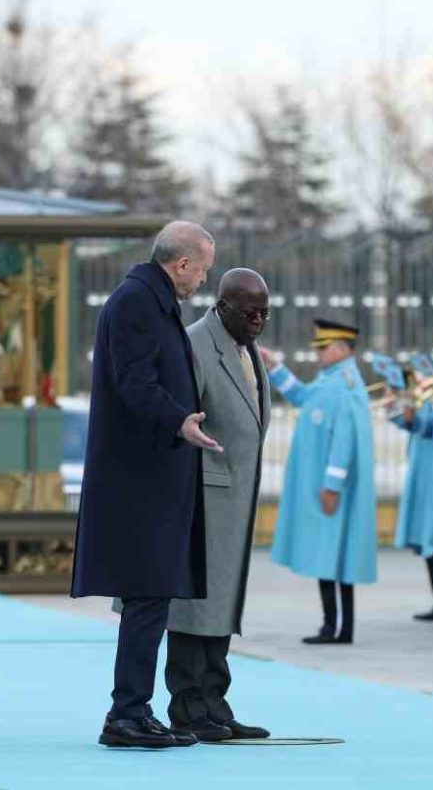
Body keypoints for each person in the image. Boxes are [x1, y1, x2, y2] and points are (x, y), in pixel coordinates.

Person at [71, 221, 220, 750]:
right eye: (203, 269)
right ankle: (126, 714)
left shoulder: (152, 301)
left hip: (153, 477)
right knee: (147, 596)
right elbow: (135, 381)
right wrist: (179, 420)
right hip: (139, 482)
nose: (203, 279)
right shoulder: (136, 302)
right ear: (182, 264)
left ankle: (135, 709)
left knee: (151, 597)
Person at [164, 269, 272, 742]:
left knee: (221, 605)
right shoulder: (194, 345)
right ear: (223, 306)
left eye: (265, 313)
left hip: (234, 498)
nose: (259, 321)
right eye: (250, 313)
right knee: (194, 608)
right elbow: (179, 421)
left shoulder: (245, 347)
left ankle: (214, 703)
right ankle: (188, 707)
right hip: (203, 496)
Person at [263, 319, 378, 645]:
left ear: (342, 348)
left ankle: (337, 628)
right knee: (331, 556)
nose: (318, 354)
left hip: (333, 489)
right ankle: (335, 626)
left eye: (324, 348)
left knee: (335, 556)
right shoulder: (331, 380)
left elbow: (344, 440)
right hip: (327, 486)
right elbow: (303, 396)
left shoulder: (343, 386)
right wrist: (275, 368)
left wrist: (332, 486)